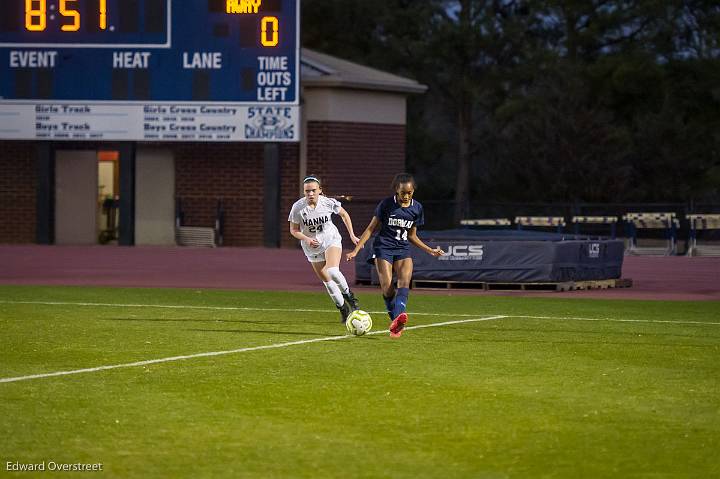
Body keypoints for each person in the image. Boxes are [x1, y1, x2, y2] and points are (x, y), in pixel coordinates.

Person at [346, 173, 444, 338]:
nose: (406, 196)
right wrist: (356, 250)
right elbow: (371, 228)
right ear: (396, 191)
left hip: (403, 248)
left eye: (409, 193)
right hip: (384, 248)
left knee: (405, 282)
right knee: (387, 288)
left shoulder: (417, 208)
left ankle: (398, 320)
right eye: (402, 193)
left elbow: (412, 235)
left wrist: (430, 250)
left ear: (413, 191)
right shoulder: (386, 205)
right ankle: (396, 319)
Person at [289, 175, 361, 323]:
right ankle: (343, 309)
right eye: (307, 191)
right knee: (327, 281)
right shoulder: (298, 207)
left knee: (333, 271)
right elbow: (294, 230)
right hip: (312, 247)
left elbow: (344, 215)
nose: (310, 194)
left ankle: (351, 298)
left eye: (313, 190)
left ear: (320, 190)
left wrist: (352, 235)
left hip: (330, 240)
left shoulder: (327, 203)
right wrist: (307, 239)